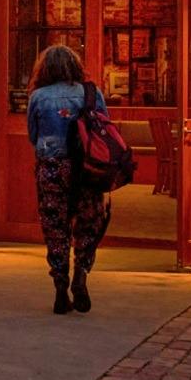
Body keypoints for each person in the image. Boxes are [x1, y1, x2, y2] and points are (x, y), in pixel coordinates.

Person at [27, 44, 113, 315]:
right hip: (87, 169)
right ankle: (82, 273)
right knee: (88, 222)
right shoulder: (91, 92)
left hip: (52, 167)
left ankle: (60, 283)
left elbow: (33, 135)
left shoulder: (38, 97)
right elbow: (104, 130)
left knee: (55, 224)